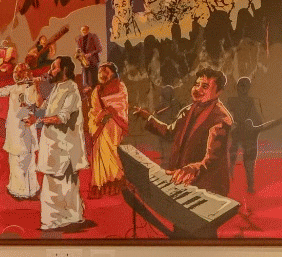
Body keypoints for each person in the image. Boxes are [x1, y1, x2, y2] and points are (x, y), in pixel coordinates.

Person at [133, 65, 233, 194]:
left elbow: (212, 157)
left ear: (219, 92)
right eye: (196, 84)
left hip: (207, 187)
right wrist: (148, 117)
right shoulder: (188, 110)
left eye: (205, 86)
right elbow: (170, 133)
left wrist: (193, 168)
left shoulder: (221, 118)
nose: (197, 89)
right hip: (182, 180)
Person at [26, 56, 89, 230]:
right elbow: (43, 108)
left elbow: (61, 118)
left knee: (59, 184)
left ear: (65, 71)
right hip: (55, 146)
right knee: (61, 184)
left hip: (64, 148)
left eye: (54, 68)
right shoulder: (57, 88)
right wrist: (35, 113)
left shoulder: (72, 89)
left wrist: (39, 121)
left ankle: (55, 222)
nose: (49, 71)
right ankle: (70, 218)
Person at [0, 63, 40, 199]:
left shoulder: (30, 87)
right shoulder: (12, 88)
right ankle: (18, 189)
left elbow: (32, 101)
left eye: (20, 72)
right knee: (15, 160)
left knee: (27, 160)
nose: (17, 75)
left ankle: (27, 191)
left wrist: (32, 84)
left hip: (25, 128)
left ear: (26, 73)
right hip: (13, 130)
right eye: (16, 72)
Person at [87, 61, 129, 197]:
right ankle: (101, 185)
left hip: (115, 122)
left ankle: (115, 180)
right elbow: (94, 111)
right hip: (100, 125)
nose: (102, 74)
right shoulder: (97, 90)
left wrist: (108, 112)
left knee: (107, 147)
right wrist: (99, 117)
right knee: (99, 149)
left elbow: (121, 104)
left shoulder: (120, 86)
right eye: (100, 72)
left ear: (112, 72)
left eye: (105, 71)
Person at [226, 75, 264, 193]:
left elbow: (260, 120)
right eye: (241, 85)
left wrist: (252, 125)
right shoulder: (232, 101)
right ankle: (229, 184)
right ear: (237, 87)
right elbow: (226, 117)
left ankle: (250, 186)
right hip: (236, 134)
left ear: (249, 87)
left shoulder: (254, 102)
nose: (243, 88)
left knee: (249, 163)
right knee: (231, 159)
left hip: (249, 136)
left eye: (245, 86)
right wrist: (233, 125)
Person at [74, 25, 102, 94]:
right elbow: (79, 50)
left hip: (93, 60)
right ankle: (87, 91)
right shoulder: (79, 39)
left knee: (94, 79)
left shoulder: (93, 36)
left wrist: (90, 54)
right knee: (85, 79)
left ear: (88, 30)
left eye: (84, 30)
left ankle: (96, 93)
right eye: (82, 30)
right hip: (84, 61)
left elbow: (99, 49)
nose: (83, 31)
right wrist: (79, 53)